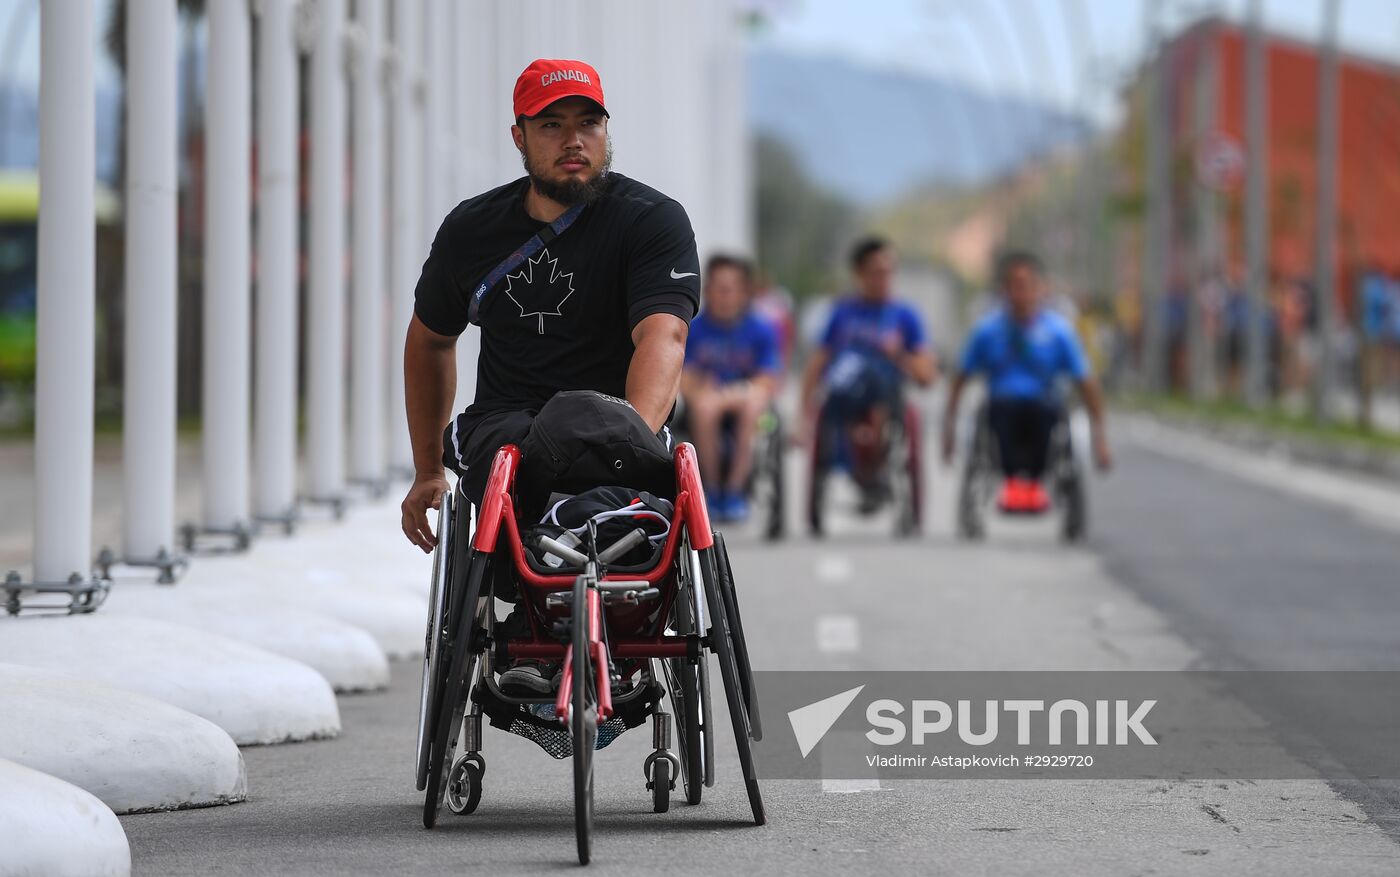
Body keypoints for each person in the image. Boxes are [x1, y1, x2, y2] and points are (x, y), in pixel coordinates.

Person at [399, 59, 699, 695]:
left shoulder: (652, 220)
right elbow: (429, 341)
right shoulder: (472, 230)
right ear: (519, 137)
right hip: (507, 420)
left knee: (608, 448)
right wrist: (428, 470)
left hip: (618, 421)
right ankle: (539, 622)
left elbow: (663, 335)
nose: (573, 141)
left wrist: (629, 437)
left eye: (588, 123)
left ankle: (608, 595)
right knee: (515, 461)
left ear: (606, 131)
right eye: (552, 125)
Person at [941, 251, 1112, 514]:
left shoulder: (1059, 332)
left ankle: (1034, 482)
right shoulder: (987, 331)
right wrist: (949, 430)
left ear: (1040, 288)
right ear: (1004, 290)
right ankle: (1012, 481)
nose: (1021, 293)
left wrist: (1100, 439)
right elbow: (961, 377)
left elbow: (1086, 382)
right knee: (1002, 410)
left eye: (1028, 285)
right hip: (1000, 405)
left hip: (1045, 405)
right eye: (1015, 285)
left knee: (1045, 410)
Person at [800, 237, 937, 512]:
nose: (883, 278)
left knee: (879, 399)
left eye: (888, 271)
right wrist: (802, 417)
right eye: (876, 271)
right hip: (845, 396)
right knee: (845, 387)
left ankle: (874, 467)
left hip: (887, 394)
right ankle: (852, 457)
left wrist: (898, 354)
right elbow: (818, 362)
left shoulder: (906, 316)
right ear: (860, 274)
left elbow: (926, 376)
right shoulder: (842, 313)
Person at [680, 254, 781, 521]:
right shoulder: (695, 328)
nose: (723, 296)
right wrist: (705, 392)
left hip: (745, 400)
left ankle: (736, 491)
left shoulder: (761, 329)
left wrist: (733, 394)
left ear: (744, 292)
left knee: (754, 404)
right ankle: (712, 490)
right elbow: (685, 378)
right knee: (704, 407)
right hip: (706, 401)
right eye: (717, 288)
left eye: (730, 289)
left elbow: (768, 379)